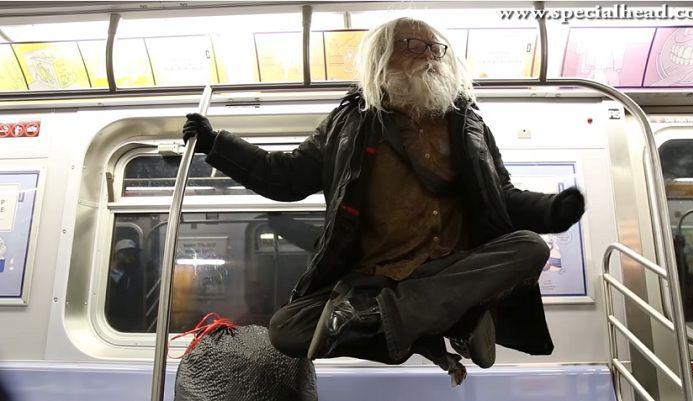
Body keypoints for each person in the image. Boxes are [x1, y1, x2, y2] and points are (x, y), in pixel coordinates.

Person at [182, 17, 585, 383]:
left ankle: (415, 319)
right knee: (288, 329)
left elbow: (502, 197)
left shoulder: (468, 123)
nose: (429, 54)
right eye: (413, 44)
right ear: (382, 56)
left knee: (530, 246)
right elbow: (285, 177)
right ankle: (439, 325)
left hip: (451, 268)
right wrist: (217, 145)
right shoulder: (348, 123)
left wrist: (552, 210)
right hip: (375, 280)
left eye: (435, 47)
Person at [106, 239, 144, 332]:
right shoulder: (104, 273)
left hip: (126, 321)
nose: (132, 258)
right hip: (107, 318)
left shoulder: (133, 275)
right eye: (128, 254)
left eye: (133, 254)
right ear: (119, 254)